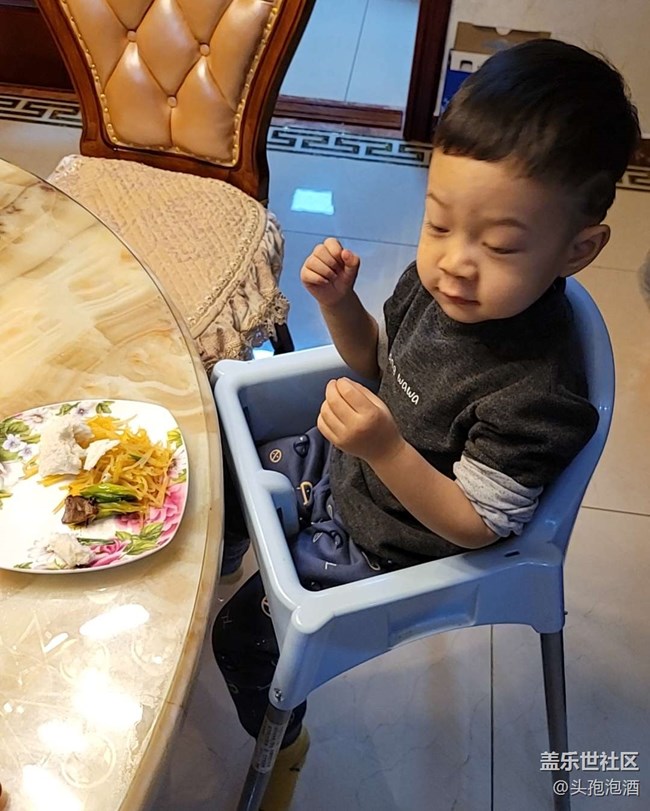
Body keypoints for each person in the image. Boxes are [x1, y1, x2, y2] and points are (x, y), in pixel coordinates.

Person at [213, 38, 640, 810]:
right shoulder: (438, 285)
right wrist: (340, 304)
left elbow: (478, 524)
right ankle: (232, 551)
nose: (454, 262)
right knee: (221, 468)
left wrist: (383, 447)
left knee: (241, 639)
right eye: (439, 224)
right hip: (345, 468)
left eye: (500, 245)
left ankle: (286, 749)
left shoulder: (536, 392)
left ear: (578, 249)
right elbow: (378, 364)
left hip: (393, 542)